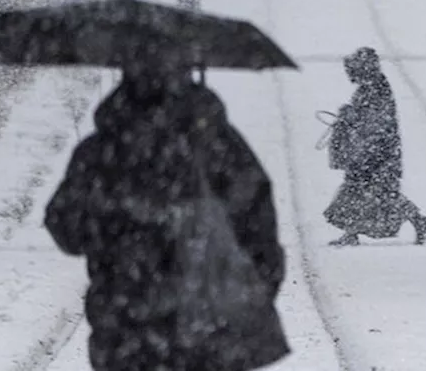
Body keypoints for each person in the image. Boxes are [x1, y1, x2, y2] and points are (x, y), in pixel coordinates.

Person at [44, 60, 288, 371]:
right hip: (210, 325)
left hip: (125, 326)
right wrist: (255, 289)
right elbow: (259, 228)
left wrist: (113, 225)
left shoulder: (100, 150)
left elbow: (67, 229)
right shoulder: (220, 146)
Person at [325, 47, 426, 246]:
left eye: (353, 71)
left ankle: (418, 220)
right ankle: (353, 232)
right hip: (369, 149)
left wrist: (351, 117)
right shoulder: (371, 87)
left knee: (372, 192)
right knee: (365, 191)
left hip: (375, 151)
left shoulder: (375, 88)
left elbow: (376, 122)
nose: (350, 75)